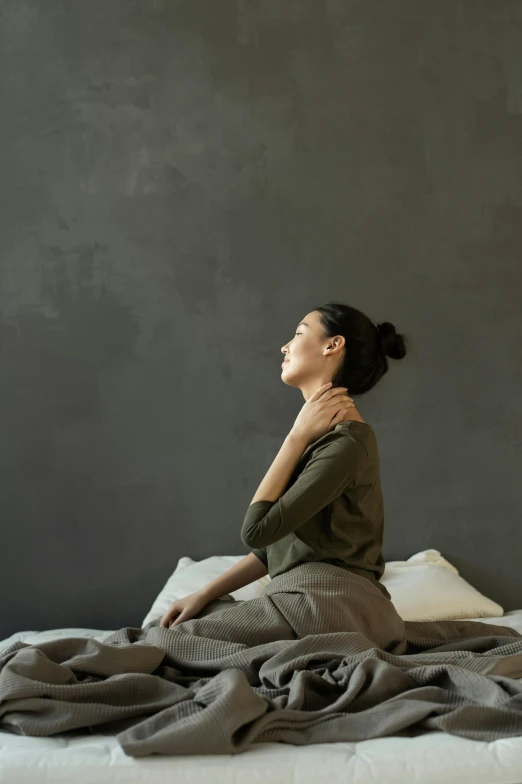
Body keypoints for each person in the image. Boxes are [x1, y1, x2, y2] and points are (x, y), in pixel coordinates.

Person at [160, 301, 412, 650]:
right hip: (311, 599)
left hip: (330, 602)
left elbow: (255, 531)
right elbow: (274, 548)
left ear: (332, 345)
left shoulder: (348, 443)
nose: (285, 346)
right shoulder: (327, 438)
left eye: (298, 333)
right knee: (196, 618)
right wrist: (202, 594)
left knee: (164, 644)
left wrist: (295, 435)